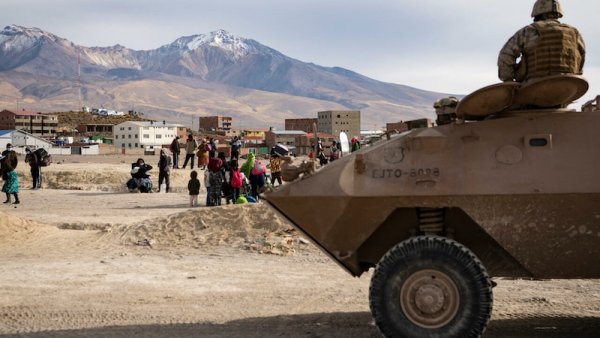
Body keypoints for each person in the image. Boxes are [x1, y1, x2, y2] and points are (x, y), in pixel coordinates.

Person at [498, 0, 585, 83]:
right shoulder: (574, 33)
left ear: (537, 14)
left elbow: (505, 56)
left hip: (536, 84)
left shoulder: (529, 31)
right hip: (568, 85)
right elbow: (581, 57)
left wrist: (508, 79)